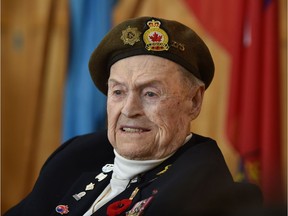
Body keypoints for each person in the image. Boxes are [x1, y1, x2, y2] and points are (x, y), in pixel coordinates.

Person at [4, 16, 262, 216]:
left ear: (194, 101)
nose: (128, 109)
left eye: (150, 93)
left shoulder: (210, 197)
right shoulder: (76, 156)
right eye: (118, 91)